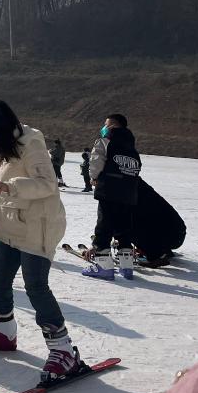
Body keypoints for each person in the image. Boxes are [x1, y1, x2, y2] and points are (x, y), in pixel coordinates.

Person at [0, 99, 84, 383]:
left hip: (38, 224)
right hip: (9, 221)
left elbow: (47, 184)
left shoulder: (32, 144)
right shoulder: (3, 147)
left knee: (35, 286)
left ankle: (63, 350)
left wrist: (11, 187)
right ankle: (4, 332)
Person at [83, 113, 141, 280]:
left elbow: (96, 160)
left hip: (109, 189)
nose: (104, 127)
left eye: (106, 124)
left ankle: (104, 267)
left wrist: (94, 177)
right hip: (128, 192)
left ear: (113, 125)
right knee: (124, 228)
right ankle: (126, 267)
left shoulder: (105, 141)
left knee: (104, 226)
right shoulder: (131, 145)